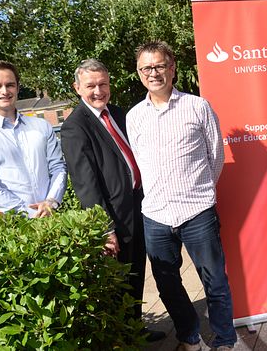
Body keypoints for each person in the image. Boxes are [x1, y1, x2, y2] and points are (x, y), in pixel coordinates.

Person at [127, 41, 236, 351]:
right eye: (146, 68)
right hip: (156, 215)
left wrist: (197, 192)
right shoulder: (134, 117)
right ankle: (190, 337)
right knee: (168, 285)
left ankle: (225, 340)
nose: (153, 72)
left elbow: (215, 157)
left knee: (214, 281)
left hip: (197, 212)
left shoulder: (197, 107)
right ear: (139, 73)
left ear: (172, 68)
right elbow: (140, 160)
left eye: (159, 65)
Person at [60, 59, 165, 342]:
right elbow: (85, 184)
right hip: (114, 215)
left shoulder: (119, 114)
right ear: (77, 88)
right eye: (91, 85)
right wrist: (105, 229)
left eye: (103, 84)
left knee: (137, 272)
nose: (98, 91)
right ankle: (123, 338)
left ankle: (135, 327)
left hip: (140, 205)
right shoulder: (75, 127)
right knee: (119, 279)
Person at [0, 60, 66, 218]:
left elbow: (58, 167)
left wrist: (52, 201)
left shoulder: (42, 127)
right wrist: (30, 213)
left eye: (10, 85)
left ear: (17, 87)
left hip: (52, 218)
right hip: (12, 225)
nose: (4, 91)